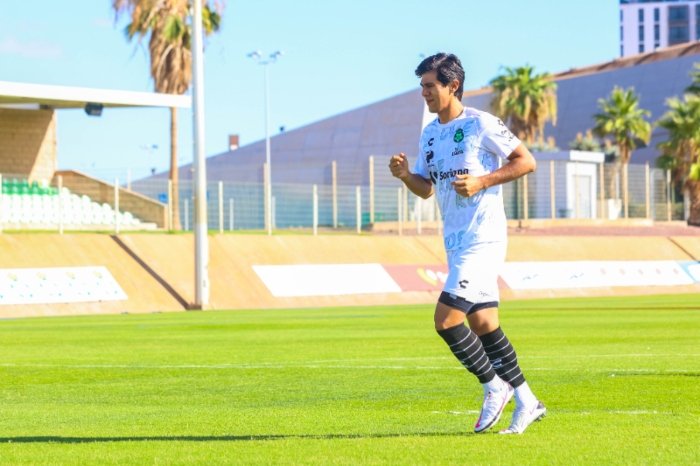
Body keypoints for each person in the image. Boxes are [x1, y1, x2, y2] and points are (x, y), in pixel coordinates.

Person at [389, 53, 545, 434]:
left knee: (446, 320)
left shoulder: (480, 123)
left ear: (452, 85)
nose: (423, 93)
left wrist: (482, 181)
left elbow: (526, 161)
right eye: (421, 86)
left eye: (430, 85)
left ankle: (495, 387)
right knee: (484, 321)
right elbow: (427, 190)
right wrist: (406, 175)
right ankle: (527, 400)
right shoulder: (429, 133)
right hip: (455, 241)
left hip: (484, 238)